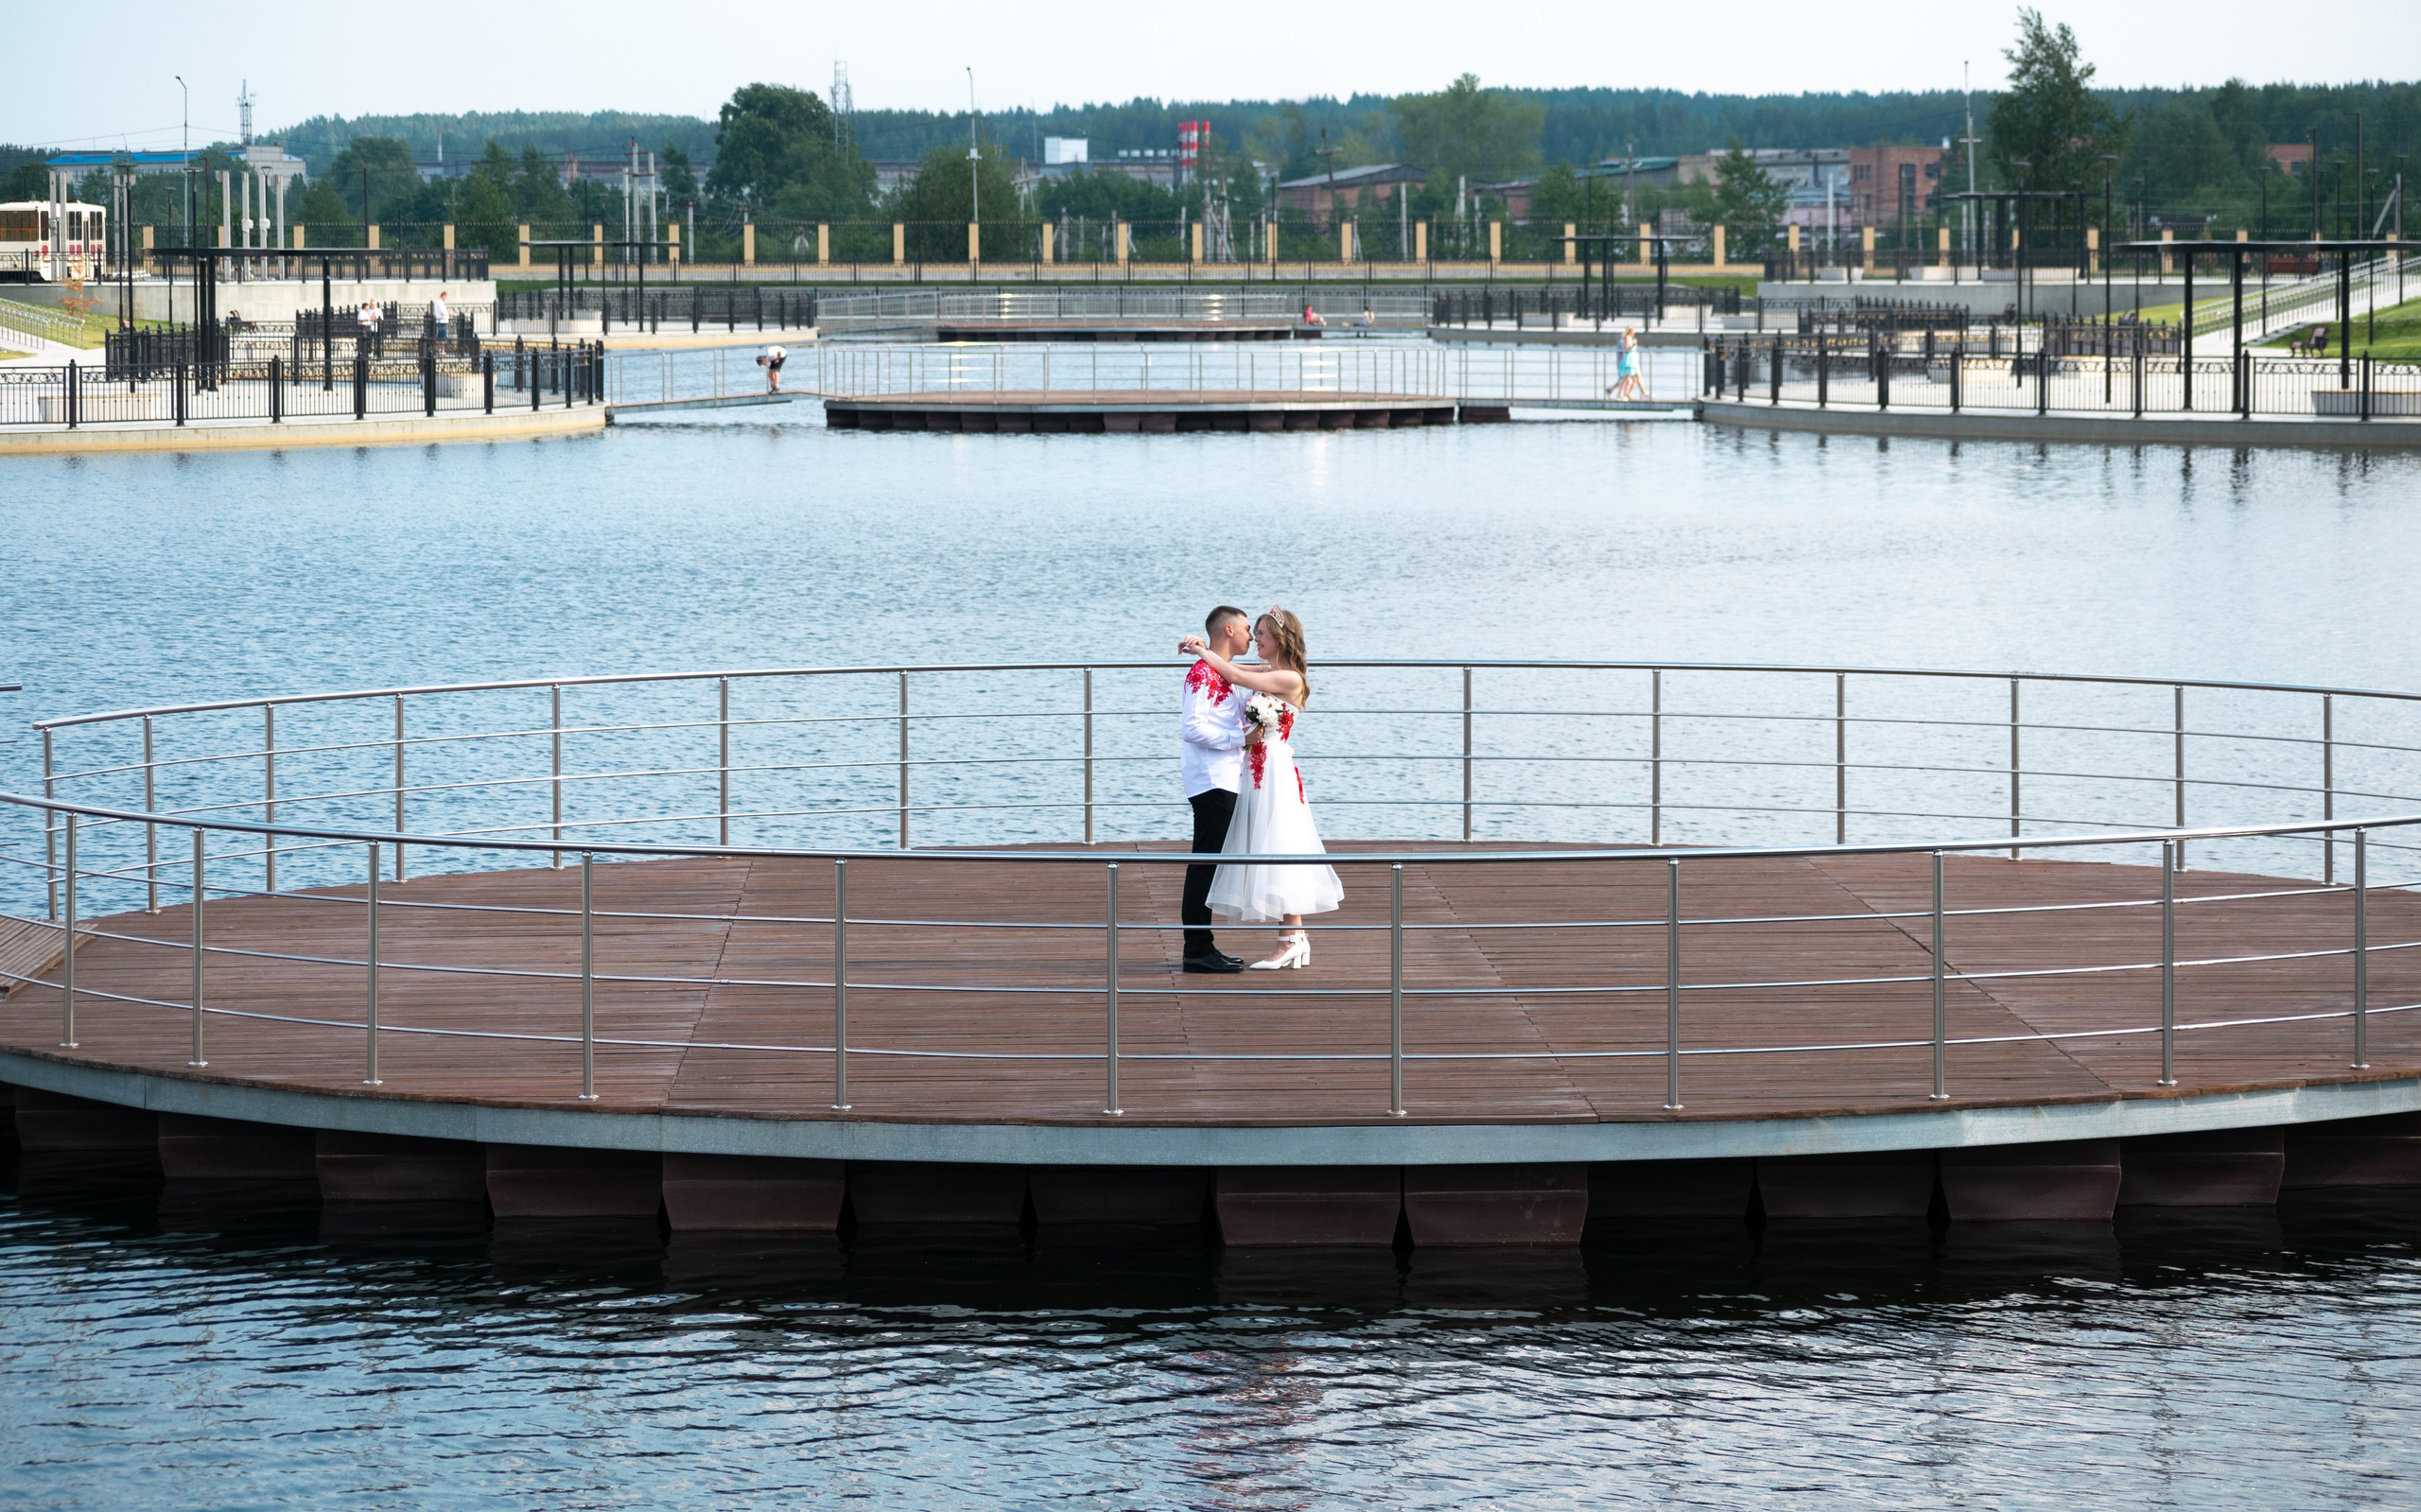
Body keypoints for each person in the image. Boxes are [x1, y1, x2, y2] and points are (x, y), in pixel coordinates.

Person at [1179, 606, 1344, 969]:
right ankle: (1290, 938)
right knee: (1267, 847)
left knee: (1281, 846)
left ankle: (1291, 940)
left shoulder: (1289, 679)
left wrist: (1201, 649)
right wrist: (1204, 652)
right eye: (1251, 631)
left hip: (1272, 770)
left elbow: (1233, 673)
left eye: (1262, 633)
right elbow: (1233, 676)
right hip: (1251, 771)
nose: (1255, 638)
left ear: (1279, 639)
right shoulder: (1268, 671)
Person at [1176, 606, 1253, 973]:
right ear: (1228, 629)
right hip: (1211, 780)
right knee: (1205, 863)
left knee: (1210, 862)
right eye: (1247, 629)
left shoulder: (1223, 674)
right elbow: (1192, 729)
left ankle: (1203, 944)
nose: (1251, 637)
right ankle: (1196, 948)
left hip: (1224, 777)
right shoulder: (1203, 674)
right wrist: (1240, 737)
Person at [1608, 325, 1648, 401]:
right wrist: (1633, 345)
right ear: (1629, 331)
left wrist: (1635, 345)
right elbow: (1625, 350)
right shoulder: (1626, 339)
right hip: (1628, 360)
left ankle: (1626, 393)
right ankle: (1621, 394)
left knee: (1634, 378)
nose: (1634, 333)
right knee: (1627, 378)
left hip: (1633, 360)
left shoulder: (1631, 338)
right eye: (1633, 331)